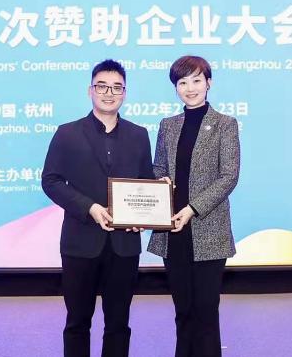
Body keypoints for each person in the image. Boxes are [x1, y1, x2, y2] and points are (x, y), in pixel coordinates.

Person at [41, 59, 153, 357]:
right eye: (102, 86)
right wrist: (89, 207)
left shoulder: (139, 135)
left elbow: (146, 183)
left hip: (124, 244)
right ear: (90, 90)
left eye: (116, 87)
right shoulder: (67, 133)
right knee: (77, 322)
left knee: (119, 324)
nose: (109, 93)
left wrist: (143, 214)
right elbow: (51, 181)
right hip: (80, 242)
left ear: (124, 93)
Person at [147, 55, 240, 357]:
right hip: (172, 230)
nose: (190, 88)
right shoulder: (168, 125)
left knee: (206, 311)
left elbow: (229, 176)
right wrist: (159, 184)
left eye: (196, 80)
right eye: (182, 82)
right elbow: (158, 167)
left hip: (208, 230)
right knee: (183, 310)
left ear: (208, 83)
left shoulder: (225, 124)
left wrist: (191, 209)